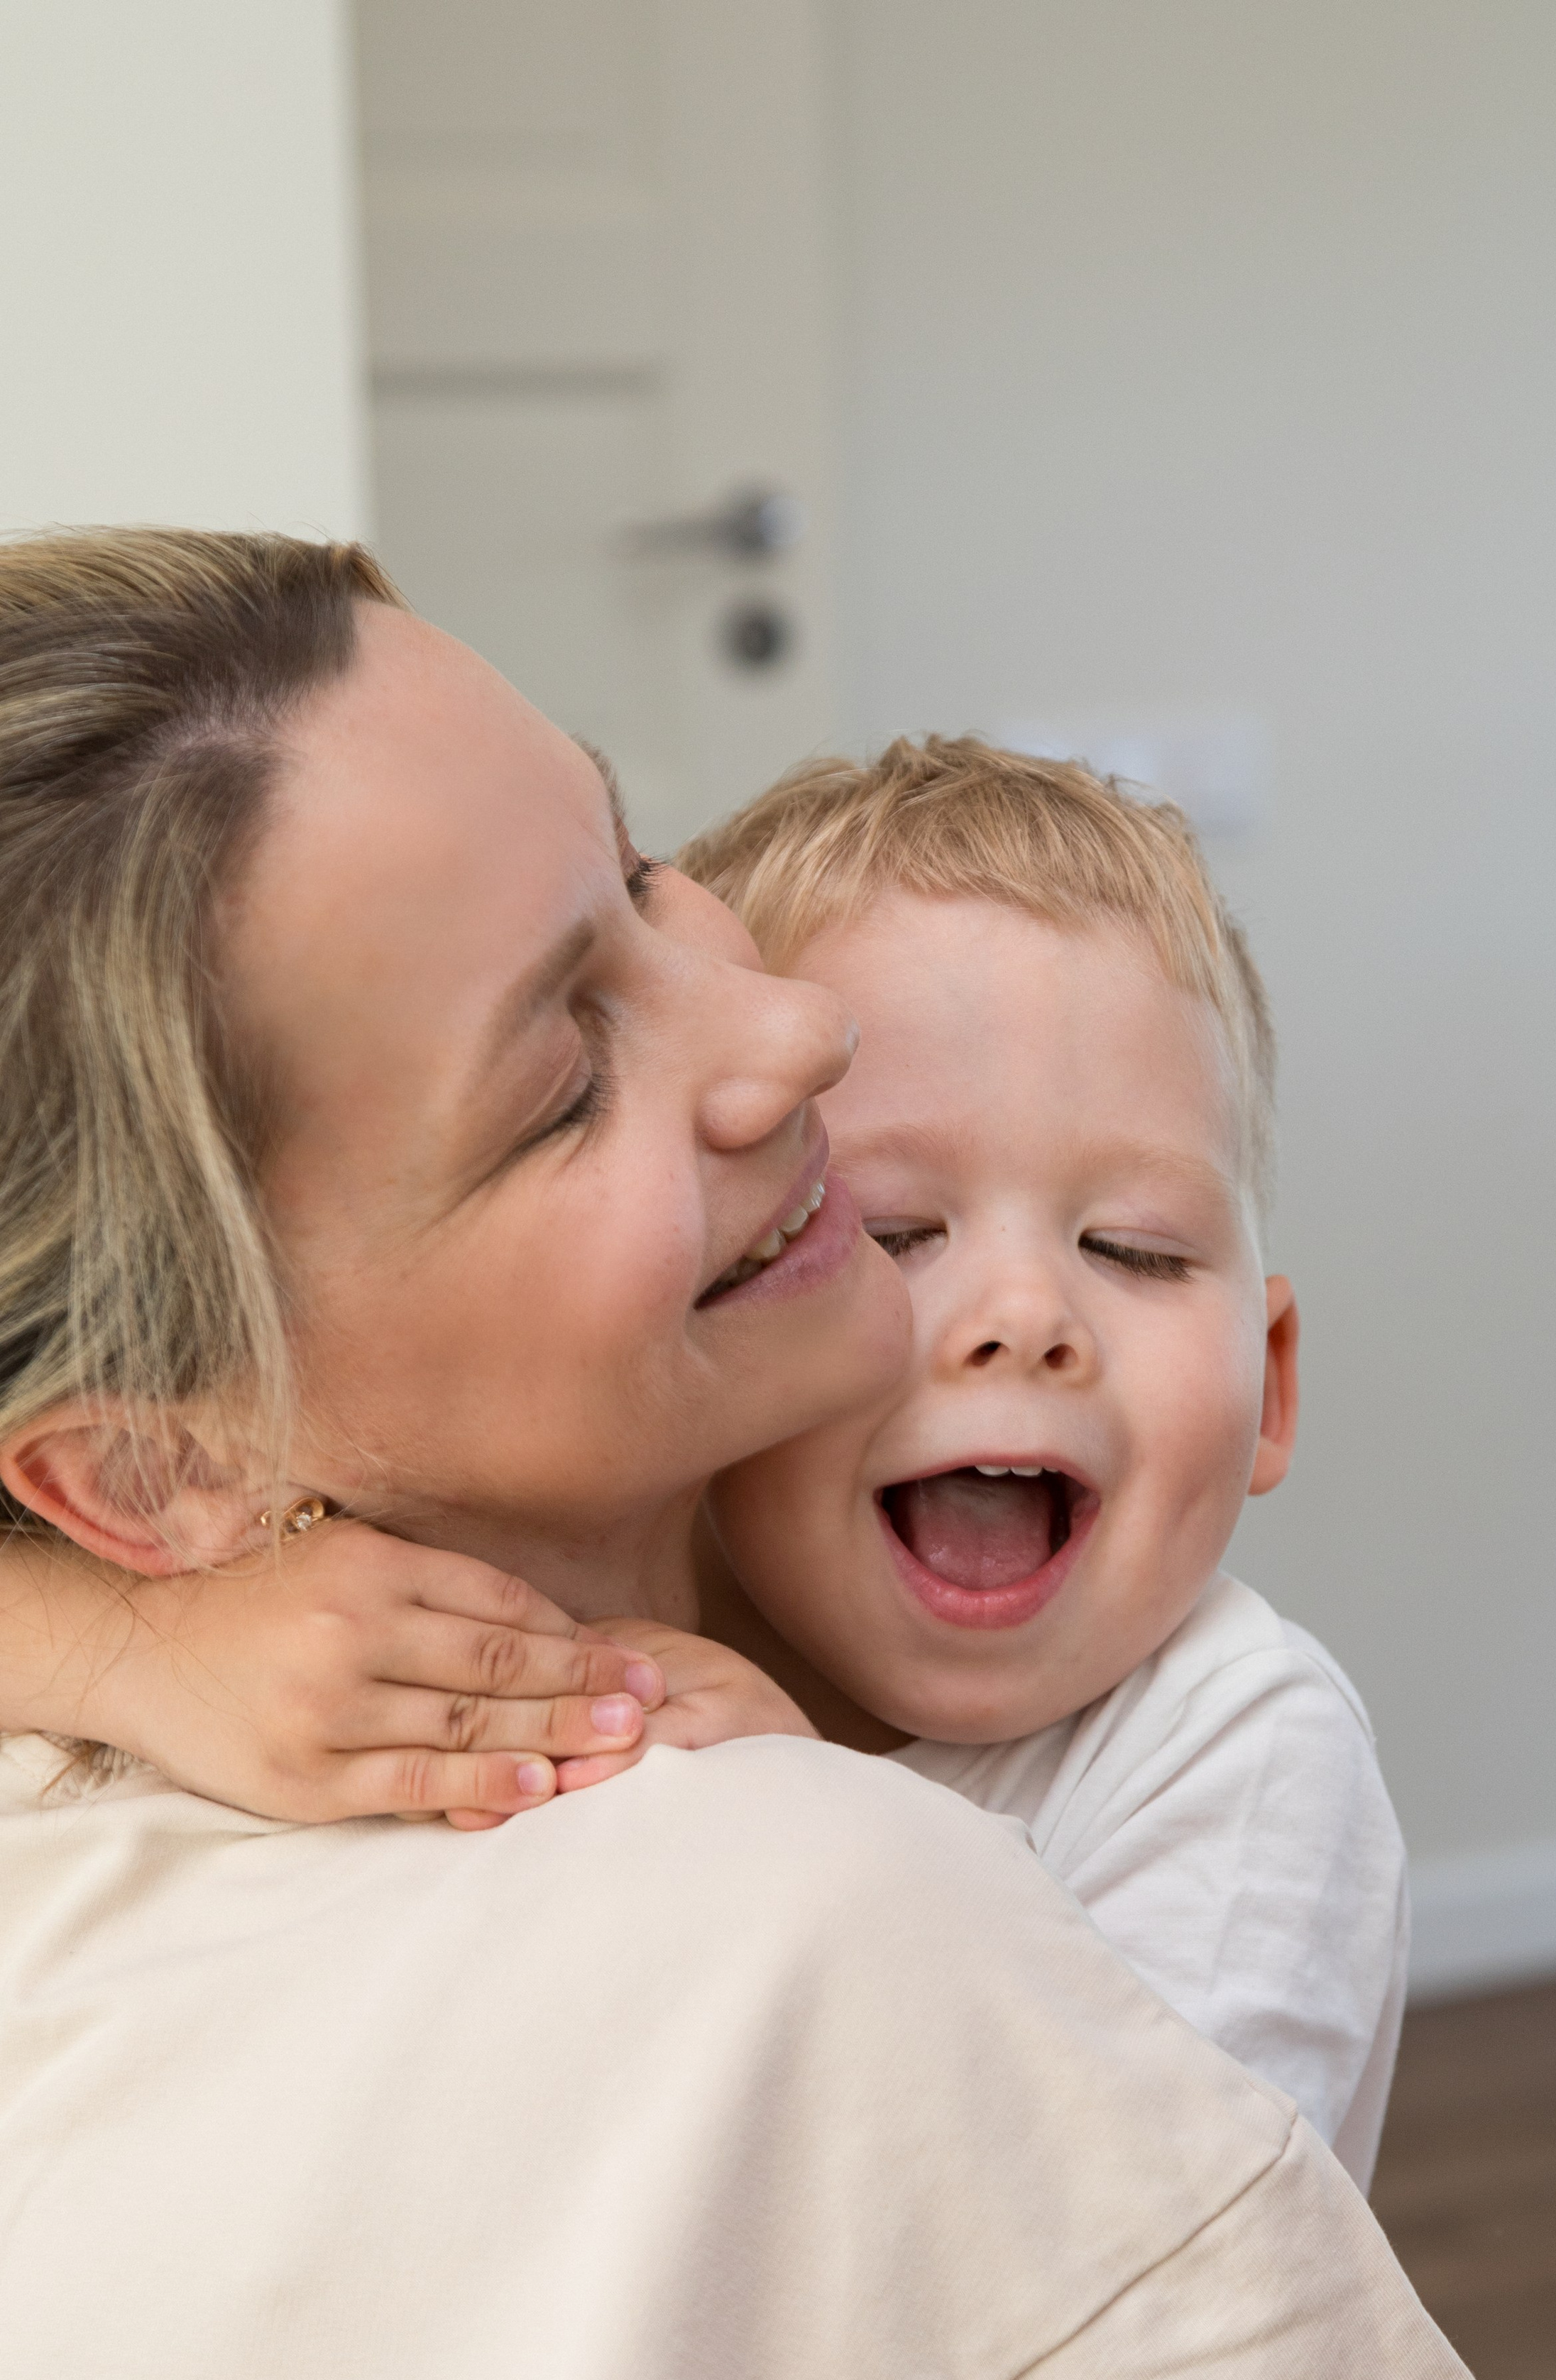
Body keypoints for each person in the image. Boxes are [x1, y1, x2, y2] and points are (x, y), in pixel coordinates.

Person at [0, 527, 1556, 2380]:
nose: (798, 1035)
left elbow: (1143, 2244)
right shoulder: (782, 1902)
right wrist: (109, 1640)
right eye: (562, 1084)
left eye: (638, 872)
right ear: (142, 1476)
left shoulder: (1144, 1745)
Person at [0, 738, 1406, 2186]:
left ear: (1272, 1384)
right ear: (762, 1275)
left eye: (1135, 1251)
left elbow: (1147, 2275)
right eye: (896, 1231)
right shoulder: (540, 1555)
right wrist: (138, 1648)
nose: (1026, 1322)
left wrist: (818, 1831)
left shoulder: (1237, 1751)